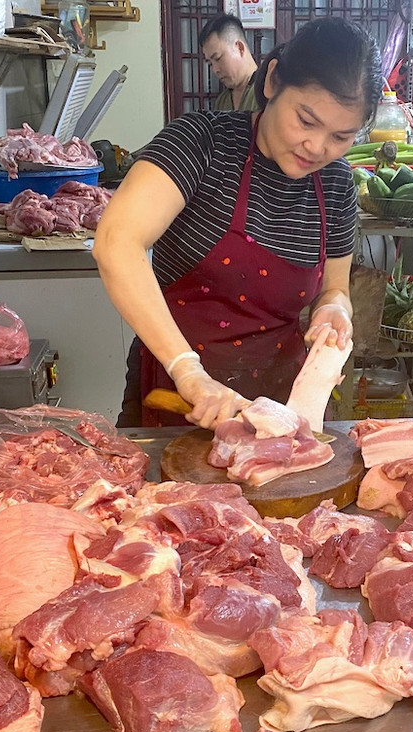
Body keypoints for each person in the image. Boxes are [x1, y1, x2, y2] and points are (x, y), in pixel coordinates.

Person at [93, 18, 382, 430]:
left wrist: (333, 310)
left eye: (340, 137)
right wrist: (187, 370)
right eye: (306, 120)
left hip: (281, 408)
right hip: (178, 396)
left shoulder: (335, 183)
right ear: (273, 81)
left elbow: (335, 288)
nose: (317, 147)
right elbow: (116, 242)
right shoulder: (202, 143)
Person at [200, 14, 260, 112]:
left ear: (239, 48)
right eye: (210, 64)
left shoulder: (267, 92)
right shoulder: (222, 101)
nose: (215, 70)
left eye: (218, 58)